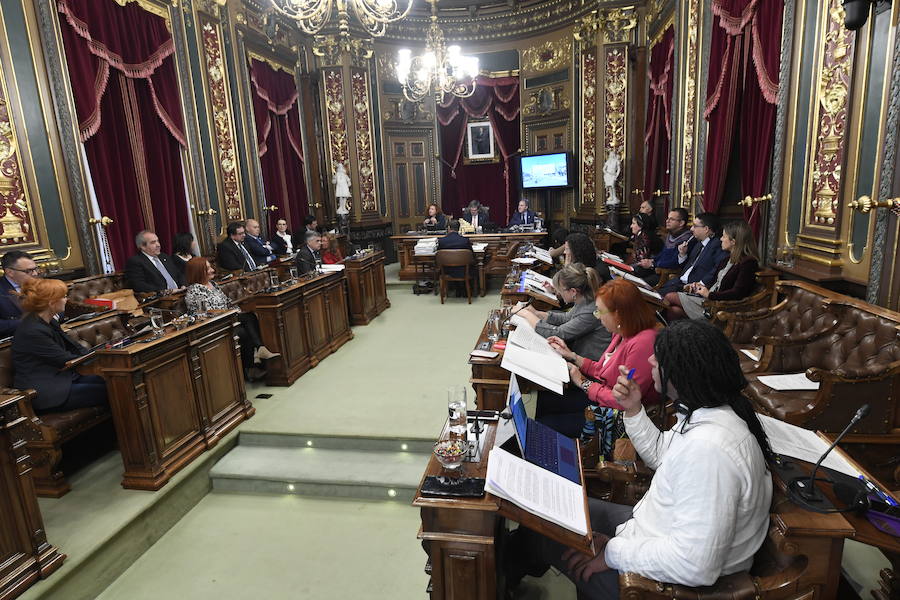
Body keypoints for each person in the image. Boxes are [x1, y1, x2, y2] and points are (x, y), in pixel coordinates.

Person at [512, 320, 773, 598]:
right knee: (556, 509)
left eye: (658, 357)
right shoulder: (710, 414)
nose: (650, 359)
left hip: (667, 586)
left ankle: (505, 573)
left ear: (679, 373)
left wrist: (611, 552)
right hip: (650, 528)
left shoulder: (710, 452)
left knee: (544, 534)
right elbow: (662, 456)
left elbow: (694, 565)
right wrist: (634, 409)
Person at [536, 279, 659, 438]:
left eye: (600, 312)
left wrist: (583, 383)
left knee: (543, 425)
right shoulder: (623, 330)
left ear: (618, 314)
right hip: (603, 397)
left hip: (618, 417)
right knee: (542, 402)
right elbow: (603, 370)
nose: (598, 317)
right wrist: (571, 355)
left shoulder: (643, 345)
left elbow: (623, 400)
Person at [12, 278, 108, 412]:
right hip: (47, 390)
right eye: (63, 297)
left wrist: (101, 354)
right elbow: (65, 359)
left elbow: (74, 347)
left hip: (63, 379)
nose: (66, 300)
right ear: (51, 303)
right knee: (111, 389)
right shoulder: (32, 330)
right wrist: (97, 358)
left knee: (112, 382)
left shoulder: (49, 321)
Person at [183, 257, 278, 379]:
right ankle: (257, 355)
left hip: (229, 320)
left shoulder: (213, 284)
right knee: (246, 326)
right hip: (214, 327)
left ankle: (254, 362)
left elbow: (228, 303)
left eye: (211, 267)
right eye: (207, 269)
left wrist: (235, 311)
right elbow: (204, 315)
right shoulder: (194, 291)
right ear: (198, 272)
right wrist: (229, 314)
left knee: (249, 320)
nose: (212, 270)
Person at [665, 220, 760, 321]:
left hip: (722, 306)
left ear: (733, 241)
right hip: (710, 300)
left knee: (670, 296)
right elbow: (715, 282)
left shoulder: (749, 262)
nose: (721, 239)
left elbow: (738, 293)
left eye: (724, 236)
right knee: (673, 311)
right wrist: (699, 286)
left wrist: (709, 294)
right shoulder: (726, 259)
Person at [517, 263, 611, 361]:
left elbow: (559, 333)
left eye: (561, 290)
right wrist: (536, 313)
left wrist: (526, 314)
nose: (559, 293)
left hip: (588, 362)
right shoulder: (584, 299)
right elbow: (567, 318)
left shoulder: (591, 310)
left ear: (573, 291)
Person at [658, 212, 728, 295]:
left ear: (706, 229)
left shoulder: (717, 246)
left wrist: (700, 284)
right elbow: (685, 266)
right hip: (679, 283)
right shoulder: (697, 243)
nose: (691, 229)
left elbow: (716, 270)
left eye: (695, 226)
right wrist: (682, 255)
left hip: (693, 287)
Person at [637, 208, 693, 274]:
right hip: (658, 267)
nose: (667, 221)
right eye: (668, 218)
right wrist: (652, 260)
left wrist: (653, 264)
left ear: (681, 223)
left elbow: (674, 262)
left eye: (671, 219)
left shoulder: (686, 239)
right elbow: (663, 254)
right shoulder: (671, 234)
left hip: (666, 273)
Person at [0, 251, 38, 336]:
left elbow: (56, 308)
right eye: (28, 271)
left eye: (35, 269)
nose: (35, 274)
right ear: (10, 272)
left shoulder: (39, 284)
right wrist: (30, 322)